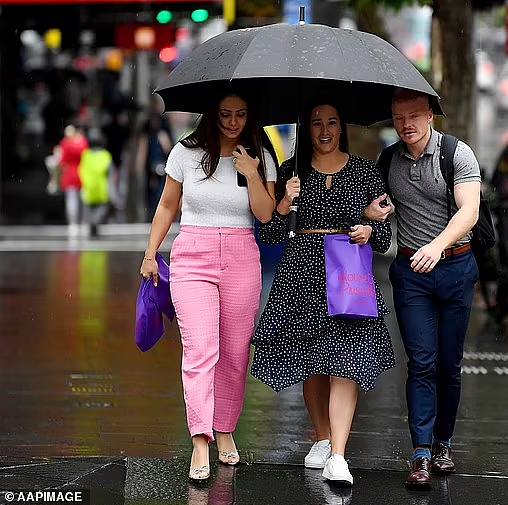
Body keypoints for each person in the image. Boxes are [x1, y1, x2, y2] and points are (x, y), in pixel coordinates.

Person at [251, 100, 395, 486]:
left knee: (346, 362)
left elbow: (383, 236)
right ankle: (322, 436)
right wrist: (283, 203)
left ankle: (338, 455)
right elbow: (268, 234)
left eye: (332, 122)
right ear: (306, 127)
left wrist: (368, 230)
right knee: (311, 361)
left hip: (347, 274)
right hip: (302, 274)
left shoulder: (365, 172)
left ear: (341, 126)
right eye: (317, 123)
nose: (325, 130)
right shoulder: (290, 172)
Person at [139, 90, 278, 482]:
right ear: (212, 115)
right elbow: (167, 205)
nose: (233, 122)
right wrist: (151, 253)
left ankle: (225, 429)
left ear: (249, 116)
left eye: (240, 114)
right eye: (225, 114)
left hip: (242, 256)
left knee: (234, 352)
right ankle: (201, 439)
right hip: (193, 255)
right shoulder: (185, 152)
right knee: (201, 349)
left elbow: (265, 213)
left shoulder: (259, 155)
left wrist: (251, 172)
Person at [364, 88, 481, 488]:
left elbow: (470, 210)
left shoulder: (456, 154)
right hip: (411, 272)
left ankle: (444, 443)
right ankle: (421, 454)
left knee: (449, 363)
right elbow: (374, 208)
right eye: (398, 118)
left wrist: (437, 245)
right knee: (422, 361)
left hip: (455, 266)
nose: (406, 124)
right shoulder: (388, 160)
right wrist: (372, 216)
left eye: (414, 115)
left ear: (431, 114)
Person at [136, 97, 174, 221]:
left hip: (160, 160)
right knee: (152, 190)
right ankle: (153, 213)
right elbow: (143, 145)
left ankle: (156, 213)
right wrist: (140, 163)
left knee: (159, 189)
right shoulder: (149, 125)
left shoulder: (163, 123)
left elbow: (167, 145)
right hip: (152, 161)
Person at [78, 128, 113, 237]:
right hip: (101, 189)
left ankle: (92, 223)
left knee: (89, 209)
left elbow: (80, 170)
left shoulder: (85, 155)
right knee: (102, 209)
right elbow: (110, 172)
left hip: (88, 189)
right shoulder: (105, 155)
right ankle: (95, 222)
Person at [57, 124, 89, 235]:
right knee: (83, 201)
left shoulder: (65, 144)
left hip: (69, 175)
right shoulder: (83, 143)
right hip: (82, 174)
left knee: (72, 202)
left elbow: (61, 161)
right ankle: (84, 223)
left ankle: (73, 224)